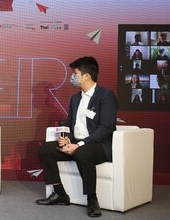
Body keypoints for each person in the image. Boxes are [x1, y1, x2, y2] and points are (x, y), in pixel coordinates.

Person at [36, 57, 118, 218]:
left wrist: (79, 144)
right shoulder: (75, 98)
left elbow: (106, 127)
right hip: (77, 143)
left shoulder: (106, 96)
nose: (72, 77)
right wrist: (67, 138)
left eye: (75, 73)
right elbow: (70, 123)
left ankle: (92, 199)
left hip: (98, 146)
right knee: (45, 149)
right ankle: (60, 193)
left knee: (82, 152)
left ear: (86, 76)